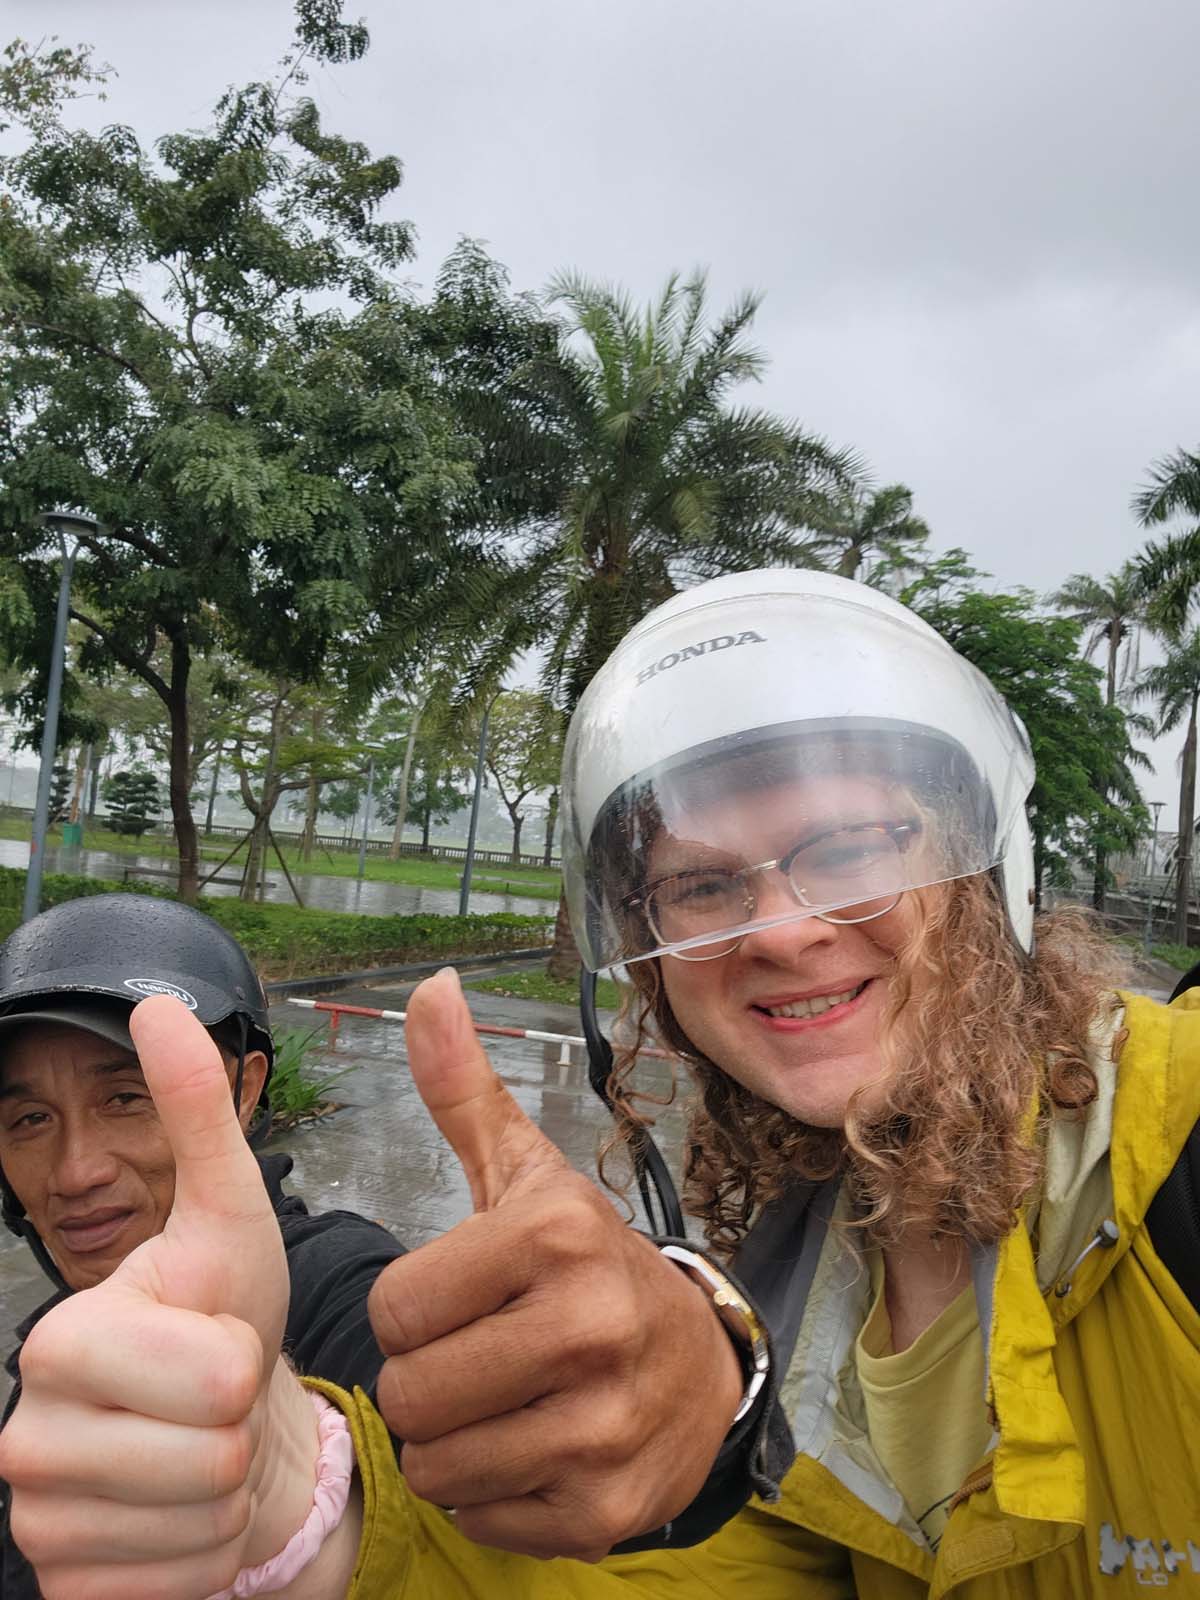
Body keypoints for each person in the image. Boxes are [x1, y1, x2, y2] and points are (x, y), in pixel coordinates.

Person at [8, 567, 1200, 1598]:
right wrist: (300, 1498)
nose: (780, 929)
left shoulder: (1177, 1134)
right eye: (703, 886)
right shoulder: (806, 1279)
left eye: (847, 848)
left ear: (985, 867)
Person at [0, 893, 411, 1599]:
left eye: (126, 1097)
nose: (75, 1171)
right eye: (30, 1119)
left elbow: (469, 1485)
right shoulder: (53, 1346)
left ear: (244, 1090)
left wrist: (293, 1498)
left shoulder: (341, 1283)